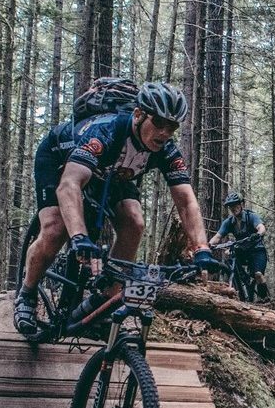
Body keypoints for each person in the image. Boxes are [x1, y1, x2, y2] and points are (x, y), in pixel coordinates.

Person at [14, 81, 223, 340]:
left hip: (111, 173)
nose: (165, 132)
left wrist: (201, 249)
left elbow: (186, 201)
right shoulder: (106, 131)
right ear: (138, 114)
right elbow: (69, 185)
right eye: (159, 122)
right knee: (56, 229)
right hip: (60, 158)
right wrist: (79, 236)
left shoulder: (167, 150)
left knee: (134, 221)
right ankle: (27, 293)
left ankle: (105, 301)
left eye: (172, 126)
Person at [208, 192, 270, 302]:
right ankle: (239, 282)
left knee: (258, 274)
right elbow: (218, 237)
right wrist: (208, 246)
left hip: (257, 250)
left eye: (235, 205)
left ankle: (264, 298)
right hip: (242, 250)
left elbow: (261, 227)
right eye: (230, 206)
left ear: (242, 204)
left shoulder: (251, 216)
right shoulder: (229, 222)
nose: (233, 208)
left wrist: (258, 234)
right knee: (229, 255)